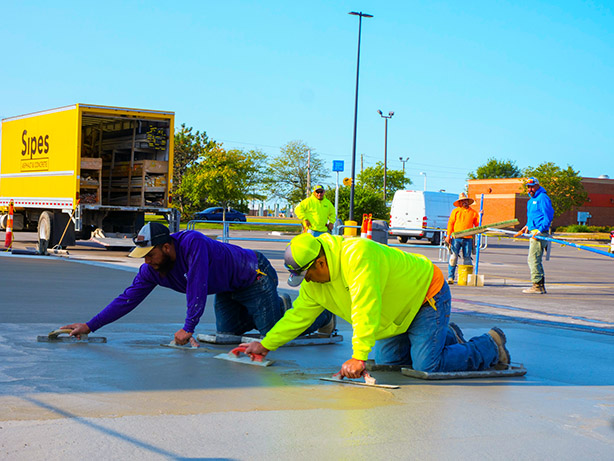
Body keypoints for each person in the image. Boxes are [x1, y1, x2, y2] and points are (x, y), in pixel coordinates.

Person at [242, 233, 511, 378]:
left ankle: (489, 345)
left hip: (425, 295)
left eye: (306, 274)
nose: (306, 281)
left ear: (320, 263)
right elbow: (298, 316)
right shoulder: (315, 284)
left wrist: (358, 355)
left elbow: (365, 306)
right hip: (396, 314)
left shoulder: (357, 255)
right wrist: (266, 344)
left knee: (427, 366)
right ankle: (445, 335)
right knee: (387, 364)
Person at [62, 222, 333, 344]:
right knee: (227, 335)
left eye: (150, 255)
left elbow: (198, 286)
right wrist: (90, 325)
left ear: (167, 247)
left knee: (273, 334)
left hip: (255, 275)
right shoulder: (151, 269)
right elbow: (127, 299)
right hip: (229, 289)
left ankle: (323, 317)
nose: (147, 262)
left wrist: (188, 327)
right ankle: (274, 307)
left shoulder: (192, 243)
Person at [517, 177, 554, 294]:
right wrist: (527, 226)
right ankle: (540, 285)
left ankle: (537, 285)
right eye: (528, 187)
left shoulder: (543, 198)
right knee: (535, 259)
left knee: (533, 259)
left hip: (539, 233)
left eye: (532, 186)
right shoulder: (531, 201)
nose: (530, 189)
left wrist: (541, 229)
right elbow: (533, 217)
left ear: (538, 186)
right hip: (533, 232)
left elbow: (548, 216)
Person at [445, 192, 480, 284]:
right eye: (462, 201)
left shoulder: (473, 212)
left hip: (468, 238)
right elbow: (450, 223)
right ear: (460, 203)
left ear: (468, 202)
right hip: (456, 237)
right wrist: (448, 235)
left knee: (467, 258)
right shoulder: (455, 211)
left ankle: (467, 278)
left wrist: (481, 216)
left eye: (465, 200)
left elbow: (478, 225)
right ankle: (450, 277)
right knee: (453, 257)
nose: (464, 202)